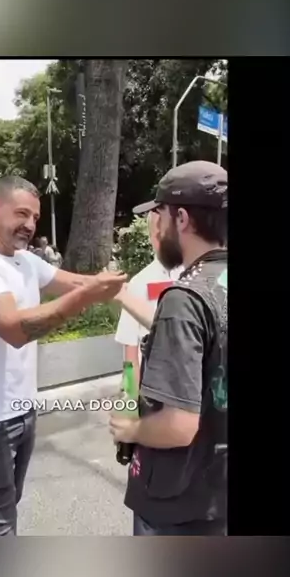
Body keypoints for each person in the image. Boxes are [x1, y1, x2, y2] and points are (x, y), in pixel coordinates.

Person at [0, 176, 126, 536]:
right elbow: (15, 329)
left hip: (23, 409)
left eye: (35, 218)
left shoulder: (25, 261)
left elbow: (77, 282)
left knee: (9, 506)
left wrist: (123, 285)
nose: (29, 224)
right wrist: (86, 297)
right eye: (21, 213)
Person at [109, 161, 228, 536]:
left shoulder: (184, 299)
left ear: (181, 218)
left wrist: (131, 429)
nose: (155, 227)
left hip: (182, 501)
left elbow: (178, 426)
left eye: (158, 214)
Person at [115, 211, 182, 385]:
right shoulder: (139, 283)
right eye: (157, 235)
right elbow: (130, 351)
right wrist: (130, 393)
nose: (162, 241)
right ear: (151, 236)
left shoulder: (195, 274)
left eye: (168, 234)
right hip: (154, 386)